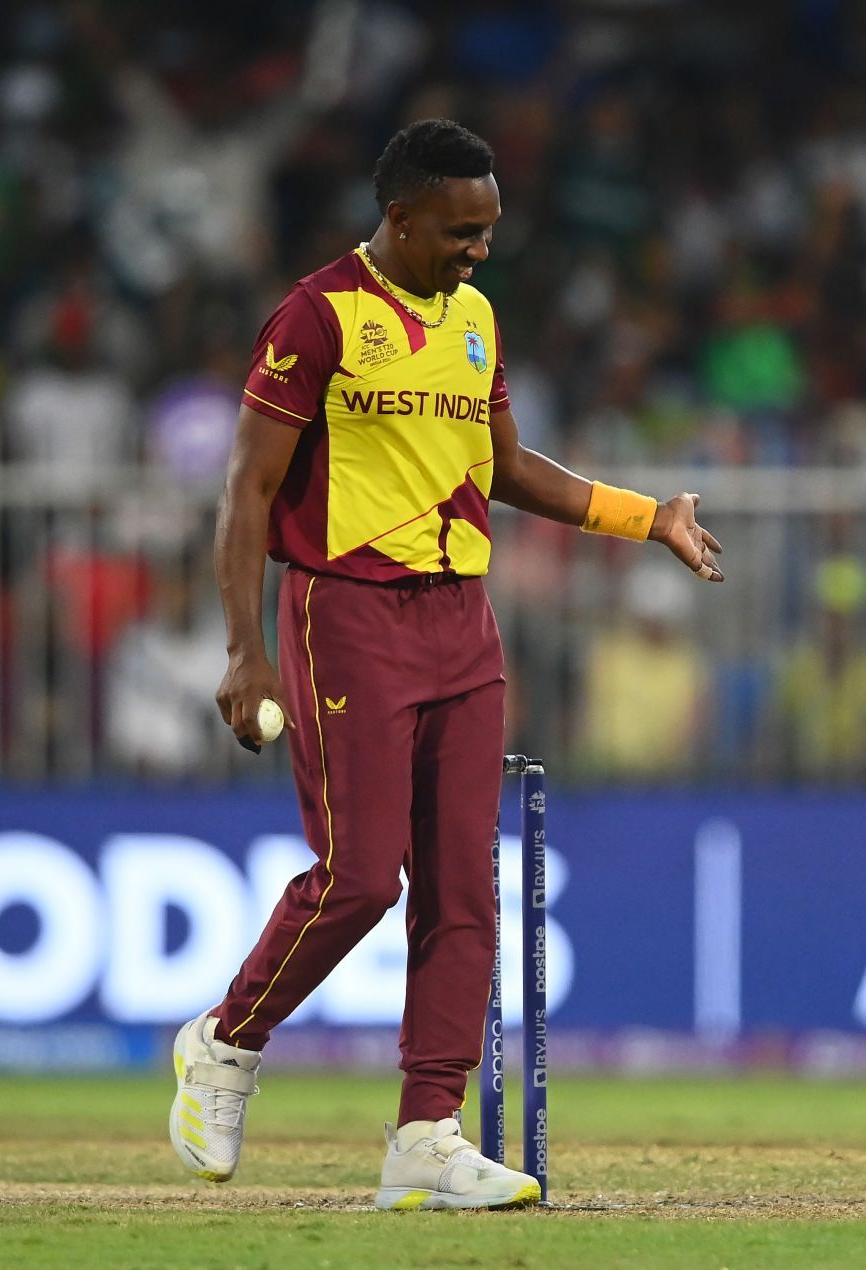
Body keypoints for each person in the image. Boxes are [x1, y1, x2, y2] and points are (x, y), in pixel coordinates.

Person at [174, 118, 723, 1211]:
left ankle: (427, 1130)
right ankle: (225, 1044)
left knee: (463, 885)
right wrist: (246, 649)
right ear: (400, 217)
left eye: (489, 232)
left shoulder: (474, 319)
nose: (479, 251)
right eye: (461, 232)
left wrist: (644, 515)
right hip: (347, 612)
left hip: (461, 620)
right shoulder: (318, 314)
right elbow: (245, 489)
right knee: (361, 875)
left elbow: (509, 468)